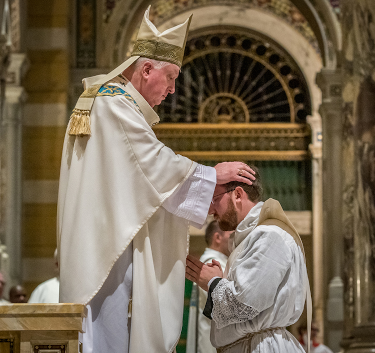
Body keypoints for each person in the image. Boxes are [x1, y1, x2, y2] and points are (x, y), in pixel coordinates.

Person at [57, 6, 255, 353]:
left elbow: (142, 181)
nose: (174, 90)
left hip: (108, 242)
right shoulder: (112, 104)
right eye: (171, 77)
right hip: (107, 257)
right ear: (146, 69)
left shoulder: (113, 104)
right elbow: (152, 164)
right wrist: (212, 174)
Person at [186, 167, 311, 353]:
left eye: (214, 199)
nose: (211, 209)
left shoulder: (270, 236)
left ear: (237, 194)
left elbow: (243, 305)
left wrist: (213, 282)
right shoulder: (248, 239)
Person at [187, 221, 231, 353]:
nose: (236, 238)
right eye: (232, 234)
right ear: (218, 237)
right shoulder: (212, 265)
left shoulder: (215, 263)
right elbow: (227, 305)